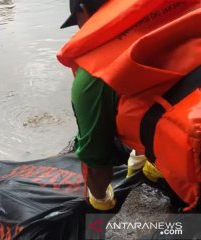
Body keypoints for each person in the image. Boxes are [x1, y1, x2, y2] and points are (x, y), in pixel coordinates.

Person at [58, 0, 199, 211]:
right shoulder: (185, 9)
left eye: (77, 21)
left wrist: (100, 200)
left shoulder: (92, 74)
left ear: (82, 9)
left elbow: (97, 165)